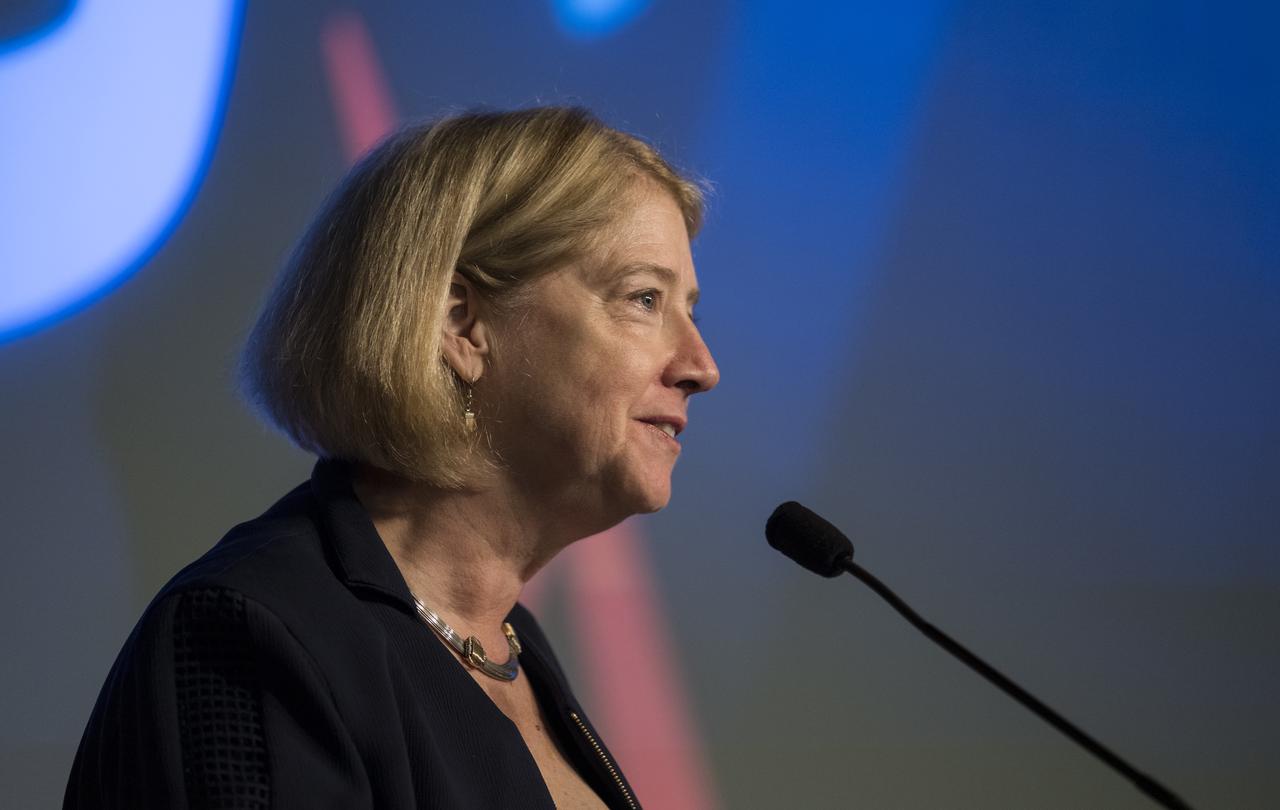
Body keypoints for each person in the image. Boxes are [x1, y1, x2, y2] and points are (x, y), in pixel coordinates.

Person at [64, 106, 719, 809]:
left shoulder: (507, 646)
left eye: (690, 310)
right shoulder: (253, 636)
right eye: (644, 299)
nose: (700, 366)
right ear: (461, 324)